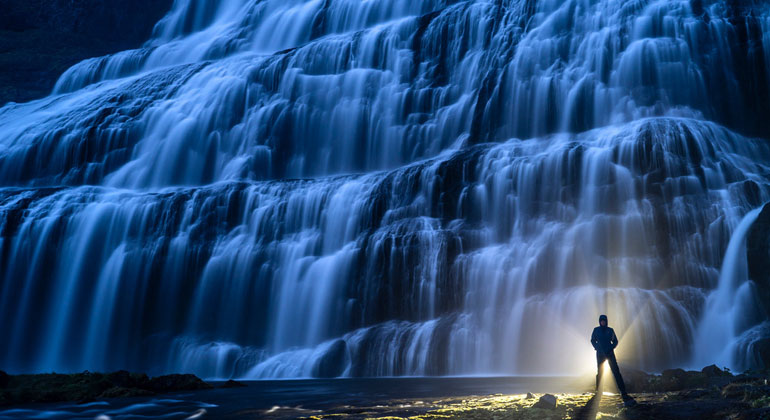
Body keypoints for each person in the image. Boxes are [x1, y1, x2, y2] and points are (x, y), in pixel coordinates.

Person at [591, 314, 635, 405]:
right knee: (600, 372)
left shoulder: (610, 330)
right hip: (600, 354)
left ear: (606, 321)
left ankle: (623, 391)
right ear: (599, 321)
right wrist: (597, 347)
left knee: (616, 372)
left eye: (604, 320)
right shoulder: (596, 330)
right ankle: (598, 392)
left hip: (610, 354)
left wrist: (611, 347)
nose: (602, 322)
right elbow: (592, 340)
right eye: (601, 320)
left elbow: (615, 341)